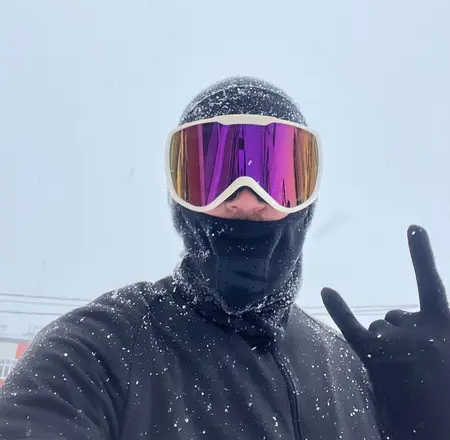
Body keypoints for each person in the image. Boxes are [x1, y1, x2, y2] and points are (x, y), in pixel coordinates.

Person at [0, 76, 449, 440]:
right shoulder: (100, 351)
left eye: (276, 174)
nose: (245, 199)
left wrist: (429, 423)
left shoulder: (347, 370)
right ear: (179, 201)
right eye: (214, 173)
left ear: (306, 203)